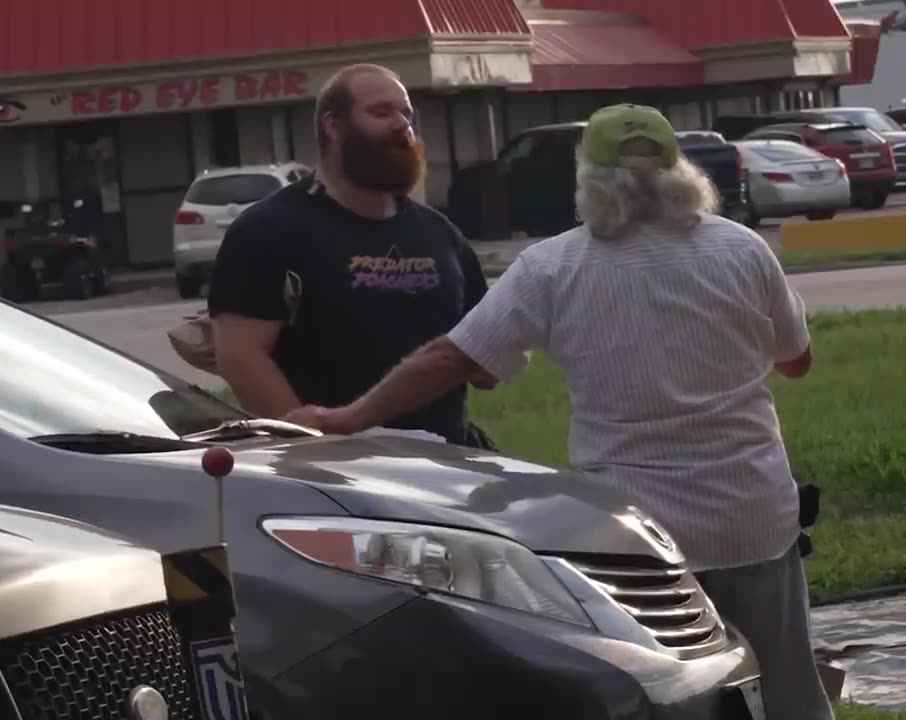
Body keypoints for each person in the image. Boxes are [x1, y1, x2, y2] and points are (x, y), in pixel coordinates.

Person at [283, 104, 830, 719]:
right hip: (752, 517)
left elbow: (451, 359)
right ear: (681, 171)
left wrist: (350, 417)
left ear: (587, 180)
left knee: (667, 701)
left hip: (634, 539)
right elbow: (796, 360)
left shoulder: (555, 265)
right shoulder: (742, 249)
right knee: (787, 694)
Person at [206, 63, 497, 448]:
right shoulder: (269, 230)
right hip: (338, 473)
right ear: (333, 126)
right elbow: (240, 356)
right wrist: (313, 448)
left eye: (406, 114)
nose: (401, 125)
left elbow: (485, 364)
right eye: (381, 113)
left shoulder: (440, 234)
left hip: (449, 464)